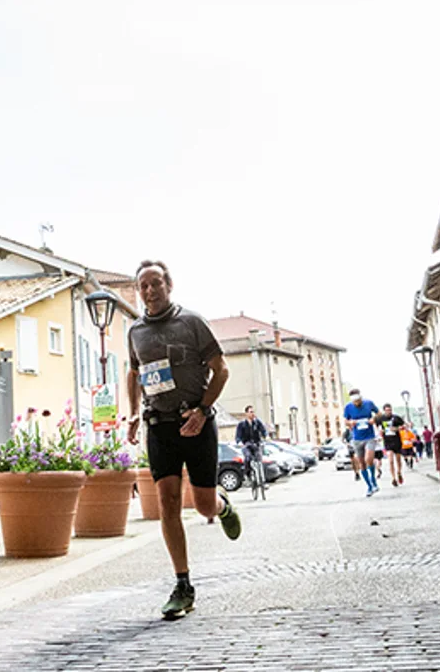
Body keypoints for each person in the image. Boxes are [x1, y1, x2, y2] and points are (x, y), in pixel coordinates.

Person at [122, 260, 241, 620]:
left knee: (202, 505)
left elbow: (221, 370)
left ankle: (223, 506)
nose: (149, 291)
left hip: (197, 420)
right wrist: (131, 411)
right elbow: (134, 372)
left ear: (168, 285)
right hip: (159, 425)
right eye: (143, 285)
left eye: (155, 283)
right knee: (167, 500)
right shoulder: (135, 332)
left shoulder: (191, 322)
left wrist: (203, 410)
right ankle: (183, 584)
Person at [343, 389, 381, 496]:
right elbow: (345, 421)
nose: (357, 404)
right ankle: (369, 486)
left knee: (369, 459)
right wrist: (350, 422)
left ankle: (373, 480)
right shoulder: (348, 407)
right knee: (362, 464)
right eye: (355, 402)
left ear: (361, 398)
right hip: (357, 439)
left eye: (358, 401)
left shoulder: (368, 403)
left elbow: (379, 414)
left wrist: (374, 419)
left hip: (370, 437)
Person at [236, 406, 269, 500]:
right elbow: (238, 436)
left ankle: (263, 481)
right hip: (247, 445)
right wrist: (239, 443)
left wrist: (266, 436)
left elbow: (263, 431)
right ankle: (248, 476)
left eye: (253, 412)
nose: (252, 414)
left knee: (259, 460)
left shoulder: (257, 422)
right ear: (246, 413)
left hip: (256, 444)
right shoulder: (242, 424)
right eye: (250, 412)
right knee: (247, 458)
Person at [375, 404, 409, 487]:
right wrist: (380, 431)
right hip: (387, 441)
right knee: (390, 461)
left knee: (398, 460)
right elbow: (376, 425)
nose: (388, 412)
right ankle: (393, 478)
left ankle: (399, 473)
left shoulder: (396, 418)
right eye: (387, 410)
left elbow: (405, 425)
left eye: (390, 410)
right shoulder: (381, 418)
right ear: (384, 411)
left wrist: (398, 428)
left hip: (397, 441)